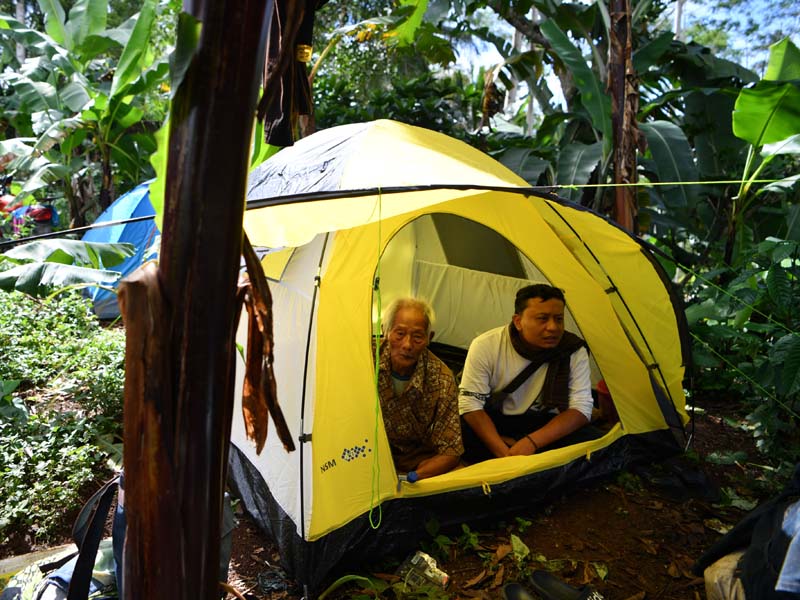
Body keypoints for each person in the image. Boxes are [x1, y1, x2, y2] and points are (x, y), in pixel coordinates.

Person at [459, 284, 596, 463]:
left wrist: (531, 443)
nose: (553, 327)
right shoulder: (486, 345)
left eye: (559, 319)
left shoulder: (572, 350)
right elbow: (470, 404)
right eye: (542, 319)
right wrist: (503, 453)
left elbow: (581, 407)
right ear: (518, 321)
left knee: (592, 441)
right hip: (497, 419)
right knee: (459, 432)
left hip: (544, 424)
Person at [377, 298, 463, 481]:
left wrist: (412, 477)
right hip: (365, 452)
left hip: (414, 462)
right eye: (400, 333)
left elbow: (451, 450)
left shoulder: (442, 379)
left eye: (417, 336)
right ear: (386, 330)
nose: (407, 345)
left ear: (429, 338)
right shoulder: (364, 358)